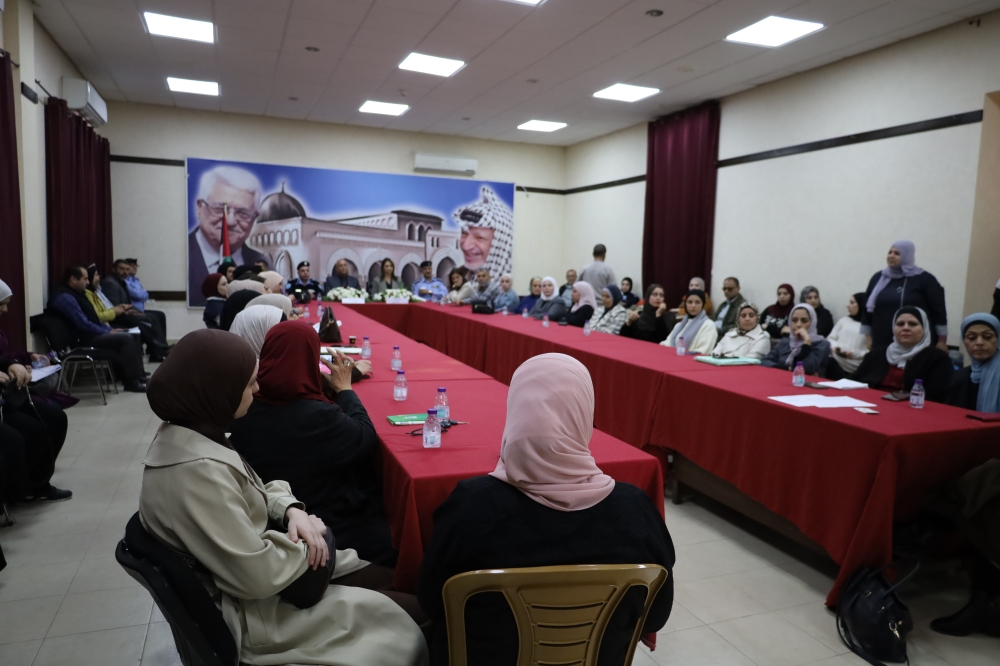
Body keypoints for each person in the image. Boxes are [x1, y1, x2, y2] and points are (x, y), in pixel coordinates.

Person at [141, 329, 428, 666]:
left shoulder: (192, 432)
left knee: (402, 583)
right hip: (260, 612)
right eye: (249, 384)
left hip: (274, 571)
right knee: (410, 621)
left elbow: (254, 485)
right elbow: (256, 575)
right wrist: (313, 537)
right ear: (217, 390)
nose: (259, 389)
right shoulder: (196, 472)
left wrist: (291, 509)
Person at [417, 354, 675, 666]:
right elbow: (655, 615)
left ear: (516, 411)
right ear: (583, 413)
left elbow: (431, 602)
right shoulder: (635, 510)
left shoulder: (470, 506)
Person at [230, 320, 398, 567]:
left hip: (267, 516)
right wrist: (345, 389)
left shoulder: (246, 403)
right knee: (391, 537)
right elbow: (364, 437)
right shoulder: (318, 415)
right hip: (320, 521)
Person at [0, 279, 72, 502]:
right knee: (34, 431)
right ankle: (20, 489)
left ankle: (38, 483)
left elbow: (3, 357)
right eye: (1, 304)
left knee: (55, 417)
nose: (5, 310)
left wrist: (22, 359)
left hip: (8, 395)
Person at [47, 266, 147, 392]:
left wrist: (107, 329)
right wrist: (107, 331)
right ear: (73, 279)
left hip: (88, 334)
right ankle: (131, 381)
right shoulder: (64, 297)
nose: (88, 282)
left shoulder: (78, 294)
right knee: (125, 339)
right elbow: (83, 323)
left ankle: (137, 375)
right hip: (81, 338)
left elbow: (92, 318)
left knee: (133, 334)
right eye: (85, 279)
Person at [188, 166, 268, 306]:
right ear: (199, 207)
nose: (229, 221)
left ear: (254, 217)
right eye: (220, 209)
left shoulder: (263, 261)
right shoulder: (183, 255)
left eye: (242, 213)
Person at [852, 307, 952, 401]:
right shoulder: (877, 354)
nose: (906, 328)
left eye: (912, 324)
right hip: (868, 404)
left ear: (924, 329)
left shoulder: (937, 359)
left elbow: (936, 398)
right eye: (900, 324)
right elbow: (853, 381)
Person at [862, 241, 948, 350]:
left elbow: (939, 311)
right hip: (882, 339)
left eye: (897, 253)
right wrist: (868, 337)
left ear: (908, 255)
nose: (891, 256)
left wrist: (942, 340)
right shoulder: (878, 278)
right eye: (890, 252)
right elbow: (866, 311)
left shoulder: (924, 279)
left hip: (916, 342)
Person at [100, 260, 170, 361]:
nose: (125, 272)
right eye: (121, 269)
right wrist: (130, 311)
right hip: (117, 317)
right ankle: (158, 349)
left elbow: (136, 299)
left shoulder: (121, 281)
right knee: (149, 319)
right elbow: (114, 305)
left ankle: (158, 350)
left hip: (126, 312)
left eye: (127, 269)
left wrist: (135, 311)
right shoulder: (110, 283)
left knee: (157, 315)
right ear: (114, 269)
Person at [454, 186, 514, 282]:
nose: (466, 246)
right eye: (464, 233)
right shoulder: (461, 275)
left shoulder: (502, 289)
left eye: (480, 238)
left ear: (500, 244)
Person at [947, 314, 1000, 412]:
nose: (979, 342)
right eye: (972, 338)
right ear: (964, 341)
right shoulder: (958, 377)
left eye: (987, 337)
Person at [761, 303, 831, 375]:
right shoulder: (785, 342)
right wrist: (784, 369)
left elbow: (805, 368)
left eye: (804, 321)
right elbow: (765, 361)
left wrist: (807, 342)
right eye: (794, 320)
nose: (798, 325)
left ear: (812, 322)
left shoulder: (822, 344)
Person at [827, 293, 870, 376]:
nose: (848, 306)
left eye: (852, 303)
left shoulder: (869, 327)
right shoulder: (844, 320)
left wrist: (853, 354)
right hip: (835, 363)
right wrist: (835, 347)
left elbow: (870, 352)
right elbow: (830, 338)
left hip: (856, 369)